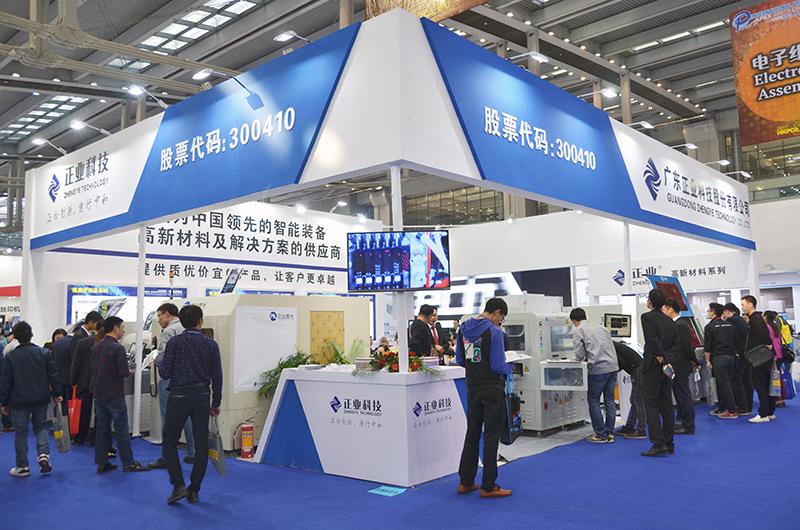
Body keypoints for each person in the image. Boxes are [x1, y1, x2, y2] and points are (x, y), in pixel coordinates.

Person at [160, 304, 223, 505]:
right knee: (201, 443)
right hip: (202, 395)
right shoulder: (211, 344)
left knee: (169, 441)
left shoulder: (175, 342)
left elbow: (164, 373)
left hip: (178, 395)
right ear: (200, 321)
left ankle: (178, 485)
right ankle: (194, 490)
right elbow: (217, 375)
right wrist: (216, 402)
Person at [455, 298, 513, 498]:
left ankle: (465, 482)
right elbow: (498, 365)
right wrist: (511, 364)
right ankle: (488, 486)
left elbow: (460, 360)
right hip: (492, 389)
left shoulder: (463, 330)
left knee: (472, 434)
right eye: (501, 318)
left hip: (472, 388)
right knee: (491, 436)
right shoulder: (495, 333)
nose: (500, 322)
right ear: (497, 312)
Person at [0, 321, 62, 477]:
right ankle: (44, 455)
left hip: (18, 401)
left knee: (21, 433)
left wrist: (4, 402)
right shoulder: (44, 353)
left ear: (15, 337)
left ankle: (22, 466)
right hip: (41, 398)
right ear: (31, 335)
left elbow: (5, 382)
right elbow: (53, 375)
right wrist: (57, 393)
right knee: (41, 427)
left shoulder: (11, 357)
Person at [91, 317, 150, 473]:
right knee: (122, 429)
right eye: (122, 327)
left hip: (99, 393)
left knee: (102, 429)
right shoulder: (117, 348)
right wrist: (129, 371)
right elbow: (123, 372)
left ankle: (102, 462)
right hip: (114, 393)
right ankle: (128, 463)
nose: (124, 331)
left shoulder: (97, 346)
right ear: (115, 328)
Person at [149, 303, 194, 470]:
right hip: (187, 380)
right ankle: (192, 453)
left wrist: (156, 361)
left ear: (167, 314)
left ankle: (166, 457)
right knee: (187, 417)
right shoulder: (187, 329)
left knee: (167, 418)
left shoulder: (169, 331)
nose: (159, 320)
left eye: (159, 316)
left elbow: (163, 357)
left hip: (170, 380)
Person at [569, 308, 619, 443]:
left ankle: (600, 434)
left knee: (593, 400)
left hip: (598, 368)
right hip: (613, 367)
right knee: (609, 400)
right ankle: (610, 433)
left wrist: (579, 358)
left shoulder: (579, 331)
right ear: (586, 317)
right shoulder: (601, 327)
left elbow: (579, 354)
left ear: (574, 321)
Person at [640, 289, 677, 457]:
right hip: (666, 366)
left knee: (651, 404)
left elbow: (652, 340)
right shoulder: (670, 320)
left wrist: (661, 358)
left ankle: (658, 443)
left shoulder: (647, 317)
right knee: (667, 404)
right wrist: (667, 361)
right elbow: (675, 344)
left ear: (650, 301)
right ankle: (669, 442)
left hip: (654, 365)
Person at [663, 299, 698, 433]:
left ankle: (688, 425)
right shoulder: (676, 324)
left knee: (683, 395)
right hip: (677, 365)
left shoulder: (680, 325)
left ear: (671, 309)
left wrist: (693, 360)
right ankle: (683, 420)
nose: (663, 312)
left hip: (680, 365)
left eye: (664, 310)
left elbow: (686, 346)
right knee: (679, 395)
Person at [741, 296, 776, 424]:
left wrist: (769, 343)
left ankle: (763, 413)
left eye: (743, 304)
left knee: (760, 385)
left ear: (751, 305)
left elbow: (763, 334)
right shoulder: (758, 318)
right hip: (762, 357)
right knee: (766, 385)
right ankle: (770, 412)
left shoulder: (755, 318)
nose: (742, 307)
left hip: (759, 358)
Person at [70, 325, 106, 447]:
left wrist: (73, 380)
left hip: (84, 382)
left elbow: (76, 364)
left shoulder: (82, 343)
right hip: (101, 383)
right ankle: (96, 438)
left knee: (83, 411)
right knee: (100, 413)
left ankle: (79, 438)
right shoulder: (108, 344)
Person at [704, 303, 739, 419]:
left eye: (709, 311)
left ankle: (732, 410)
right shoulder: (731, 325)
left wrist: (708, 361)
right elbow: (737, 342)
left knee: (723, 384)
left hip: (719, 358)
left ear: (713, 312)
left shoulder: (710, 327)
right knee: (727, 383)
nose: (708, 313)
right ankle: (722, 407)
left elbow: (707, 346)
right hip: (731, 357)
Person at [724, 303, 753, 416]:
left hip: (740, 354)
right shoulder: (741, 320)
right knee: (747, 380)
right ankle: (748, 407)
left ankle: (742, 407)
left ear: (727, 311)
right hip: (747, 354)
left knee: (736, 380)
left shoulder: (731, 321)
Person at [763, 311, 786, 407]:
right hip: (779, 354)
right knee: (779, 376)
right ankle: (781, 399)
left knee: (773, 378)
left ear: (766, 317)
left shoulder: (767, 327)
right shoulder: (776, 327)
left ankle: (776, 399)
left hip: (772, 355)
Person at [51, 332, 75, 417]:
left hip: (59, 378)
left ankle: (61, 421)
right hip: (68, 379)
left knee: (61, 404)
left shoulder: (56, 345)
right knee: (67, 404)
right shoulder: (72, 343)